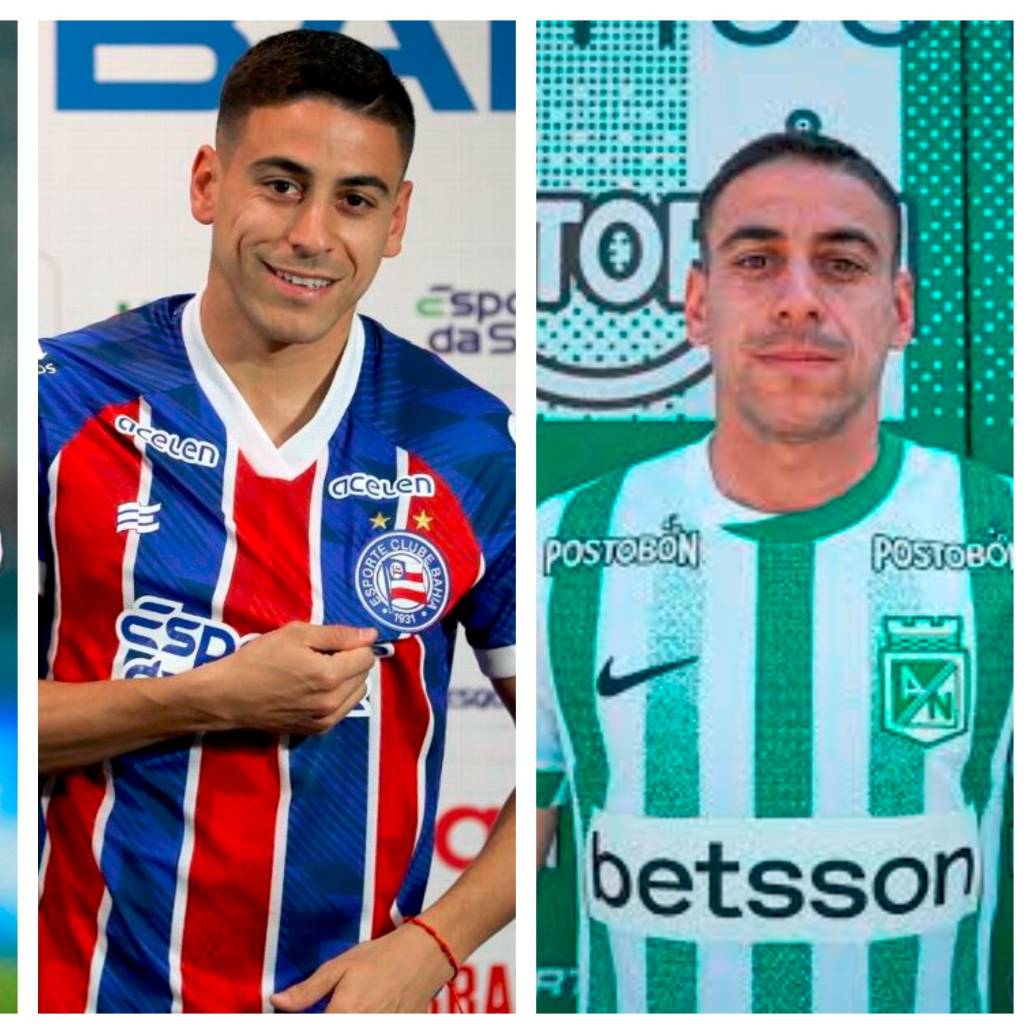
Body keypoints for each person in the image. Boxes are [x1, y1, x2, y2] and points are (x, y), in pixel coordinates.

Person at [39, 29, 515, 1014]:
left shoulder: (465, 441)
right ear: (208, 183)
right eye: (280, 183)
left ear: (397, 220)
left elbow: (579, 755)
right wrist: (202, 697)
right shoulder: (55, 399)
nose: (310, 234)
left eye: (354, 199)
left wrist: (433, 944)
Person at [537, 131, 1011, 1013]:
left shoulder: (1006, 542)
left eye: (842, 263)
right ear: (697, 304)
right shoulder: (562, 547)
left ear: (900, 309)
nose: (799, 301)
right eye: (758, 260)